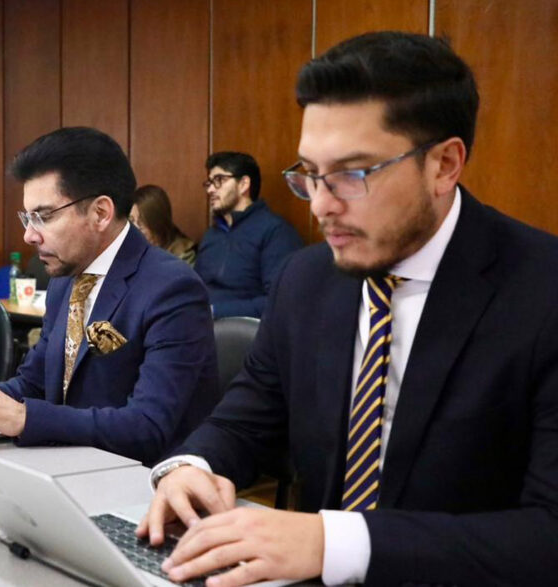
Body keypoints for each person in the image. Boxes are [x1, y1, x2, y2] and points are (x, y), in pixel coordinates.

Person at [137, 31, 558, 587]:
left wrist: (335, 542)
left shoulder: (541, 290)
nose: (321, 206)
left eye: (353, 175)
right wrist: (193, 468)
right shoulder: (307, 279)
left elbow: (547, 534)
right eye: (310, 174)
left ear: (444, 164)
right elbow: (248, 415)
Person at [0, 127, 219, 466]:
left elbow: (147, 426)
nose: (28, 235)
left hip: (142, 482)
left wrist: (25, 418)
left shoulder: (172, 288)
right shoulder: (66, 280)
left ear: (100, 213)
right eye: (27, 217)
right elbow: (35, 384)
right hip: (67, 463)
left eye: (44, 216)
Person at [195, 151, 302, 318]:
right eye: (209, 182)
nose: (210, 189)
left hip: (244, 334)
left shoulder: (275, 231)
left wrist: (215, 311)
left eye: (219, 181)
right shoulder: (211, 235)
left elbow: (278, 301)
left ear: (243, 184)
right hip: (201, 328)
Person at [129, 184, 197, 265]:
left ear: (157, 222)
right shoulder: (131, 250)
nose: (136, 228)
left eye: (141, 222)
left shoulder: (184, 255)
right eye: (131, 220)